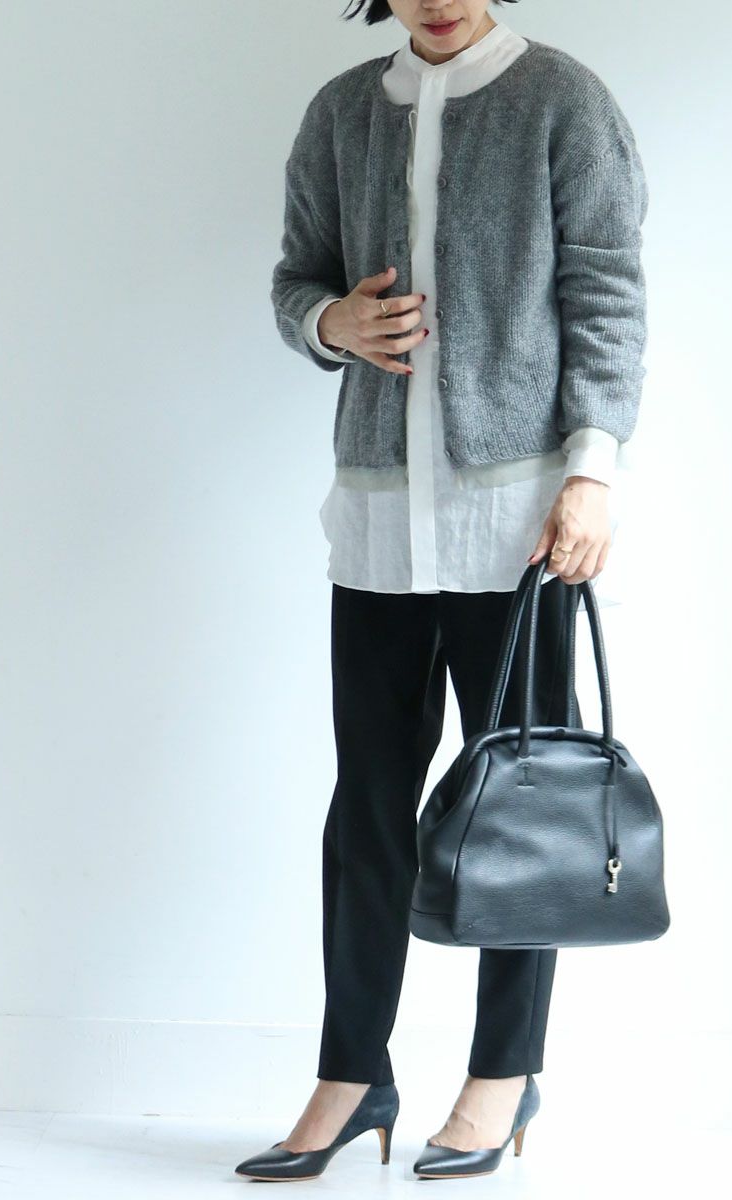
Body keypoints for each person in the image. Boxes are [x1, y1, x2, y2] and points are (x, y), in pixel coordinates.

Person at [235, 0, 648, 1181]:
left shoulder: (563, 100)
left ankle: (503, 1076)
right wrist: (331, 321)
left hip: (517, 525)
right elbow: (296, 281)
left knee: (526, 807)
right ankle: (351, 1074)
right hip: (378, 517)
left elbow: (608, 296)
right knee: (366, 805)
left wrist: (592, 474)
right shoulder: (342, 111)